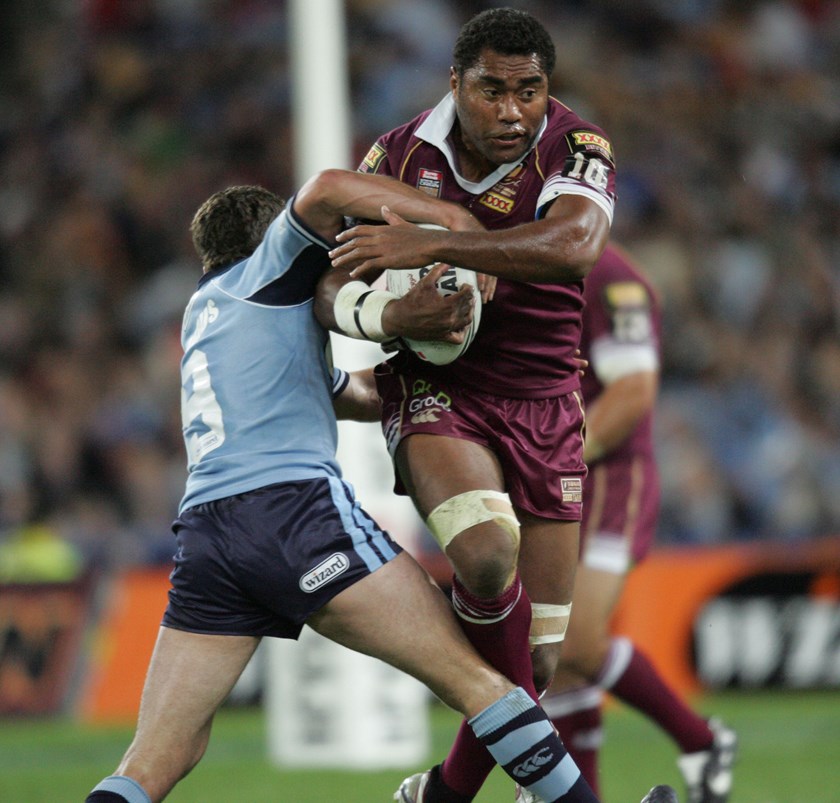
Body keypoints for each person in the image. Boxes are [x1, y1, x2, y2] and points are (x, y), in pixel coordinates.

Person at [82, 168, 671, 803]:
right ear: (271, 238)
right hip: (291, 515)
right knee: (480, 680)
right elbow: (328, 187)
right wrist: (456, 223)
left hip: (206, 539)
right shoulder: (268, 267)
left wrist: (460, 367)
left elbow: (355, 394)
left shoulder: (213, 314)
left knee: (153, 762)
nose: (332, 244)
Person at [321, 7, 625, 802]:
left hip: (548, 403)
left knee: (542, 660)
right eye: (491, 90)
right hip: (439, 392)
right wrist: (384, 317)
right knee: (486, 554)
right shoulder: (397, 154)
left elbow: (575, 246)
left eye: (529, 91)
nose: (512, 111)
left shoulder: (577, 145)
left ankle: (442, 794)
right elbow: (330, 278)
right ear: (455, 83)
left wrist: (436, 242)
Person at [534, 244, 737, 803]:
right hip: (550, 480)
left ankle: (699, 739)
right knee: (560, 661)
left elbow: (633, 391)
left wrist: (558, 459)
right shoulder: (520, 262)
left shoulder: (612, 277)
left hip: (610, 480)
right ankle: (689, 746)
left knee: (571, 646)